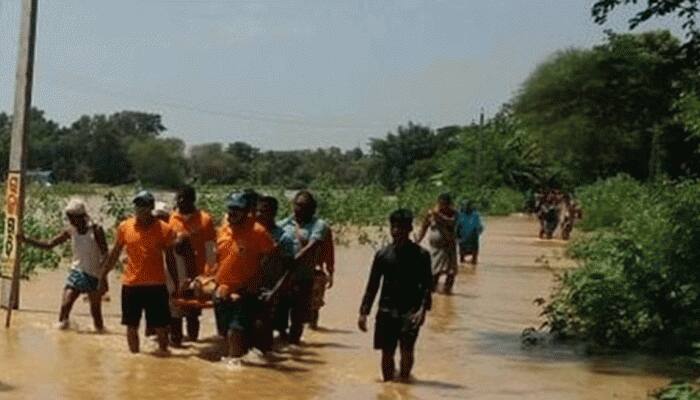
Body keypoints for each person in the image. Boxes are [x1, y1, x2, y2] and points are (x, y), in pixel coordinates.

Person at [358, 209, 433, 382]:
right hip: (386, 309)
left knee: (407, 350)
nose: (396, 231)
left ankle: (405, 385)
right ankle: (388, 387)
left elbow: (428, 286)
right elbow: (372, 286)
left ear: (409, 229)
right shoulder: (383, 255)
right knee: (387, 351)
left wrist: (423, 310)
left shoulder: (421, 256)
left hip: (411, 310)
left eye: (401, 227)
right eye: (394, 227)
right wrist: (363, 312)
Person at [100, 191, 178, 355]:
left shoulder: (165, 229)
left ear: (151, 207)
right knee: (131, 325)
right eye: (137, 205)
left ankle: (163, 353)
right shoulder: (125, 227)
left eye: (143, 206)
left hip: (156, 285)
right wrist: (103, 275)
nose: (140, 209)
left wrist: (176, 283)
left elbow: (170, 259)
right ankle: (134, 357)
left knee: (161, 326)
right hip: (131, 284)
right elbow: (115, 253)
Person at [19, 198, 108, 331]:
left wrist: (103, 279)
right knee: (66, 305)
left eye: (72, 218)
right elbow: (50, 244)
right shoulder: (71, 231)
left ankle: (100, 333)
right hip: (76, 272)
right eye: (69, 218)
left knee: (96, 315)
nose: (70, 221)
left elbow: (106, 255)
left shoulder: (96, 230)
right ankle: (62, 332)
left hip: (94, 274)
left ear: (81, 217)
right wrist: (25, 240)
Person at [213, 193, 275, 365]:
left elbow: (271, 255)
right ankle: (239, 358)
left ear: (247, 211)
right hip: (222, 289)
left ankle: (234, 369)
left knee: (235, 330)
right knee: (224, 332)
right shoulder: (222, 229)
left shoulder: (258, 231)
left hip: (245, 289)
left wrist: (257, 280)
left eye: (237, 209)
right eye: (230, 208)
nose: (233, 212)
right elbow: (214, 256)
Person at [275, 190, 330, 344]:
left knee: (298, 319)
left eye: (304, 207)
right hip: (283, 278)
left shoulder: (319, 225)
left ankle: (294, 342)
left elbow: (314, 245)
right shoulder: (284, 224)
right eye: (297, 205)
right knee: (279, 318)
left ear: (312, 209)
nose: (299, 209)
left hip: (303, 278)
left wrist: (294, 260)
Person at [168, 185, 216, 342]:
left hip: (198, 273)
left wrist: (209, 275)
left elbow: (210, 250)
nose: (181, 201)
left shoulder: (205, 220)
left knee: (192, 312)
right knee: (175, 309)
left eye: (185, 198)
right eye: (179, 198)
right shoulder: (171, 219)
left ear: (193, 200)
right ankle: (176, 343)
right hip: (177, 273)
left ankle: (194, 342)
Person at [252, 195, 295, 353]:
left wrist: (275, 292)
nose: (259, 215)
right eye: (257, 211)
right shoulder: (251, 234)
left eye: (264, 211)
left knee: (265, 333)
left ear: (274, 213)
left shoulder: (284, 238)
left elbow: (289, 269)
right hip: (251, 287)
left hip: (271, 290)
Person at [415, 193, 458, 294]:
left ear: (449, 204)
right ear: (438, 203)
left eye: (445, 205)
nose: (443, 207)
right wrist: (418, 241)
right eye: (441, 204)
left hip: (449, 246)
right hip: (436, 248)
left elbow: (451, 222)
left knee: (451, 272)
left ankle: (447, 291)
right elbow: (424, 227)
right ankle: (432, 293)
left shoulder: (454, 213)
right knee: (435, 272)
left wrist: (438, 216)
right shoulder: (431, 214)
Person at [456, 200, 484, 265]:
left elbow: (480, 227)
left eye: (468, 206)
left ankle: (473, 269)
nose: (466, 207)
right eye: (465, 206)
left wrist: (477, 233)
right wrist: (457, 238)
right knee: (462, 259)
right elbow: (457, 227)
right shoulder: (460, 215)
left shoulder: (475, 215)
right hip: (463, 238)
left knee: (474, 259)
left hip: (473, 239)